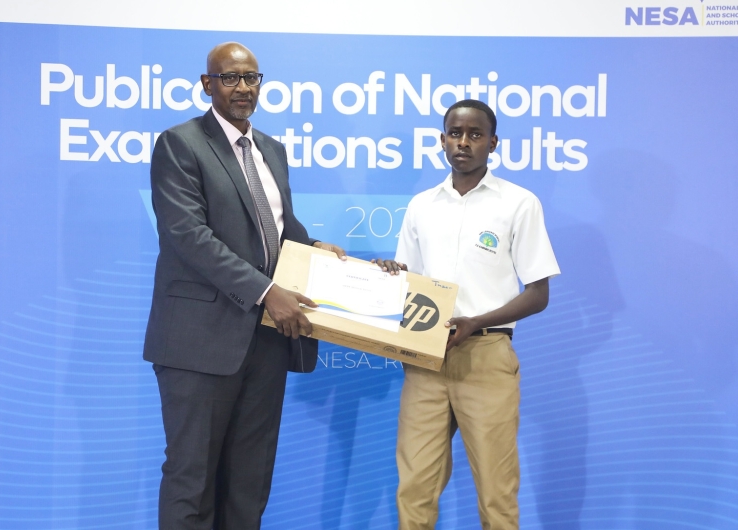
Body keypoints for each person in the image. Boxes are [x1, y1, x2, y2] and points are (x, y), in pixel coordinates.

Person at [143, 42, 345, 529]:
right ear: (207, 84)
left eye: (251, 78)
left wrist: (319, 248)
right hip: (200, 339)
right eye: (230, 78)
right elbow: (188, 235)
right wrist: (265, 291)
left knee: (250, 478)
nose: (243, 88)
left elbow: (276, 229)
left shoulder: (271, 150)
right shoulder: (181, 143)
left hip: (267, 340)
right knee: (192, 478)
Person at [376, 99, 560, 529]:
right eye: (455, 133)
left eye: (475, 135)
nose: (464, 142)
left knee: (497, 493)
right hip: (426, 360)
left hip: (487, 354)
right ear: (442, 140)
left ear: (493, 143)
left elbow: (538, 293)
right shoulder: (422, 204)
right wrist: (389, 275)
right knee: (415, 489)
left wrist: (477, 321)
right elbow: (411, 283)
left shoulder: (518, 203)